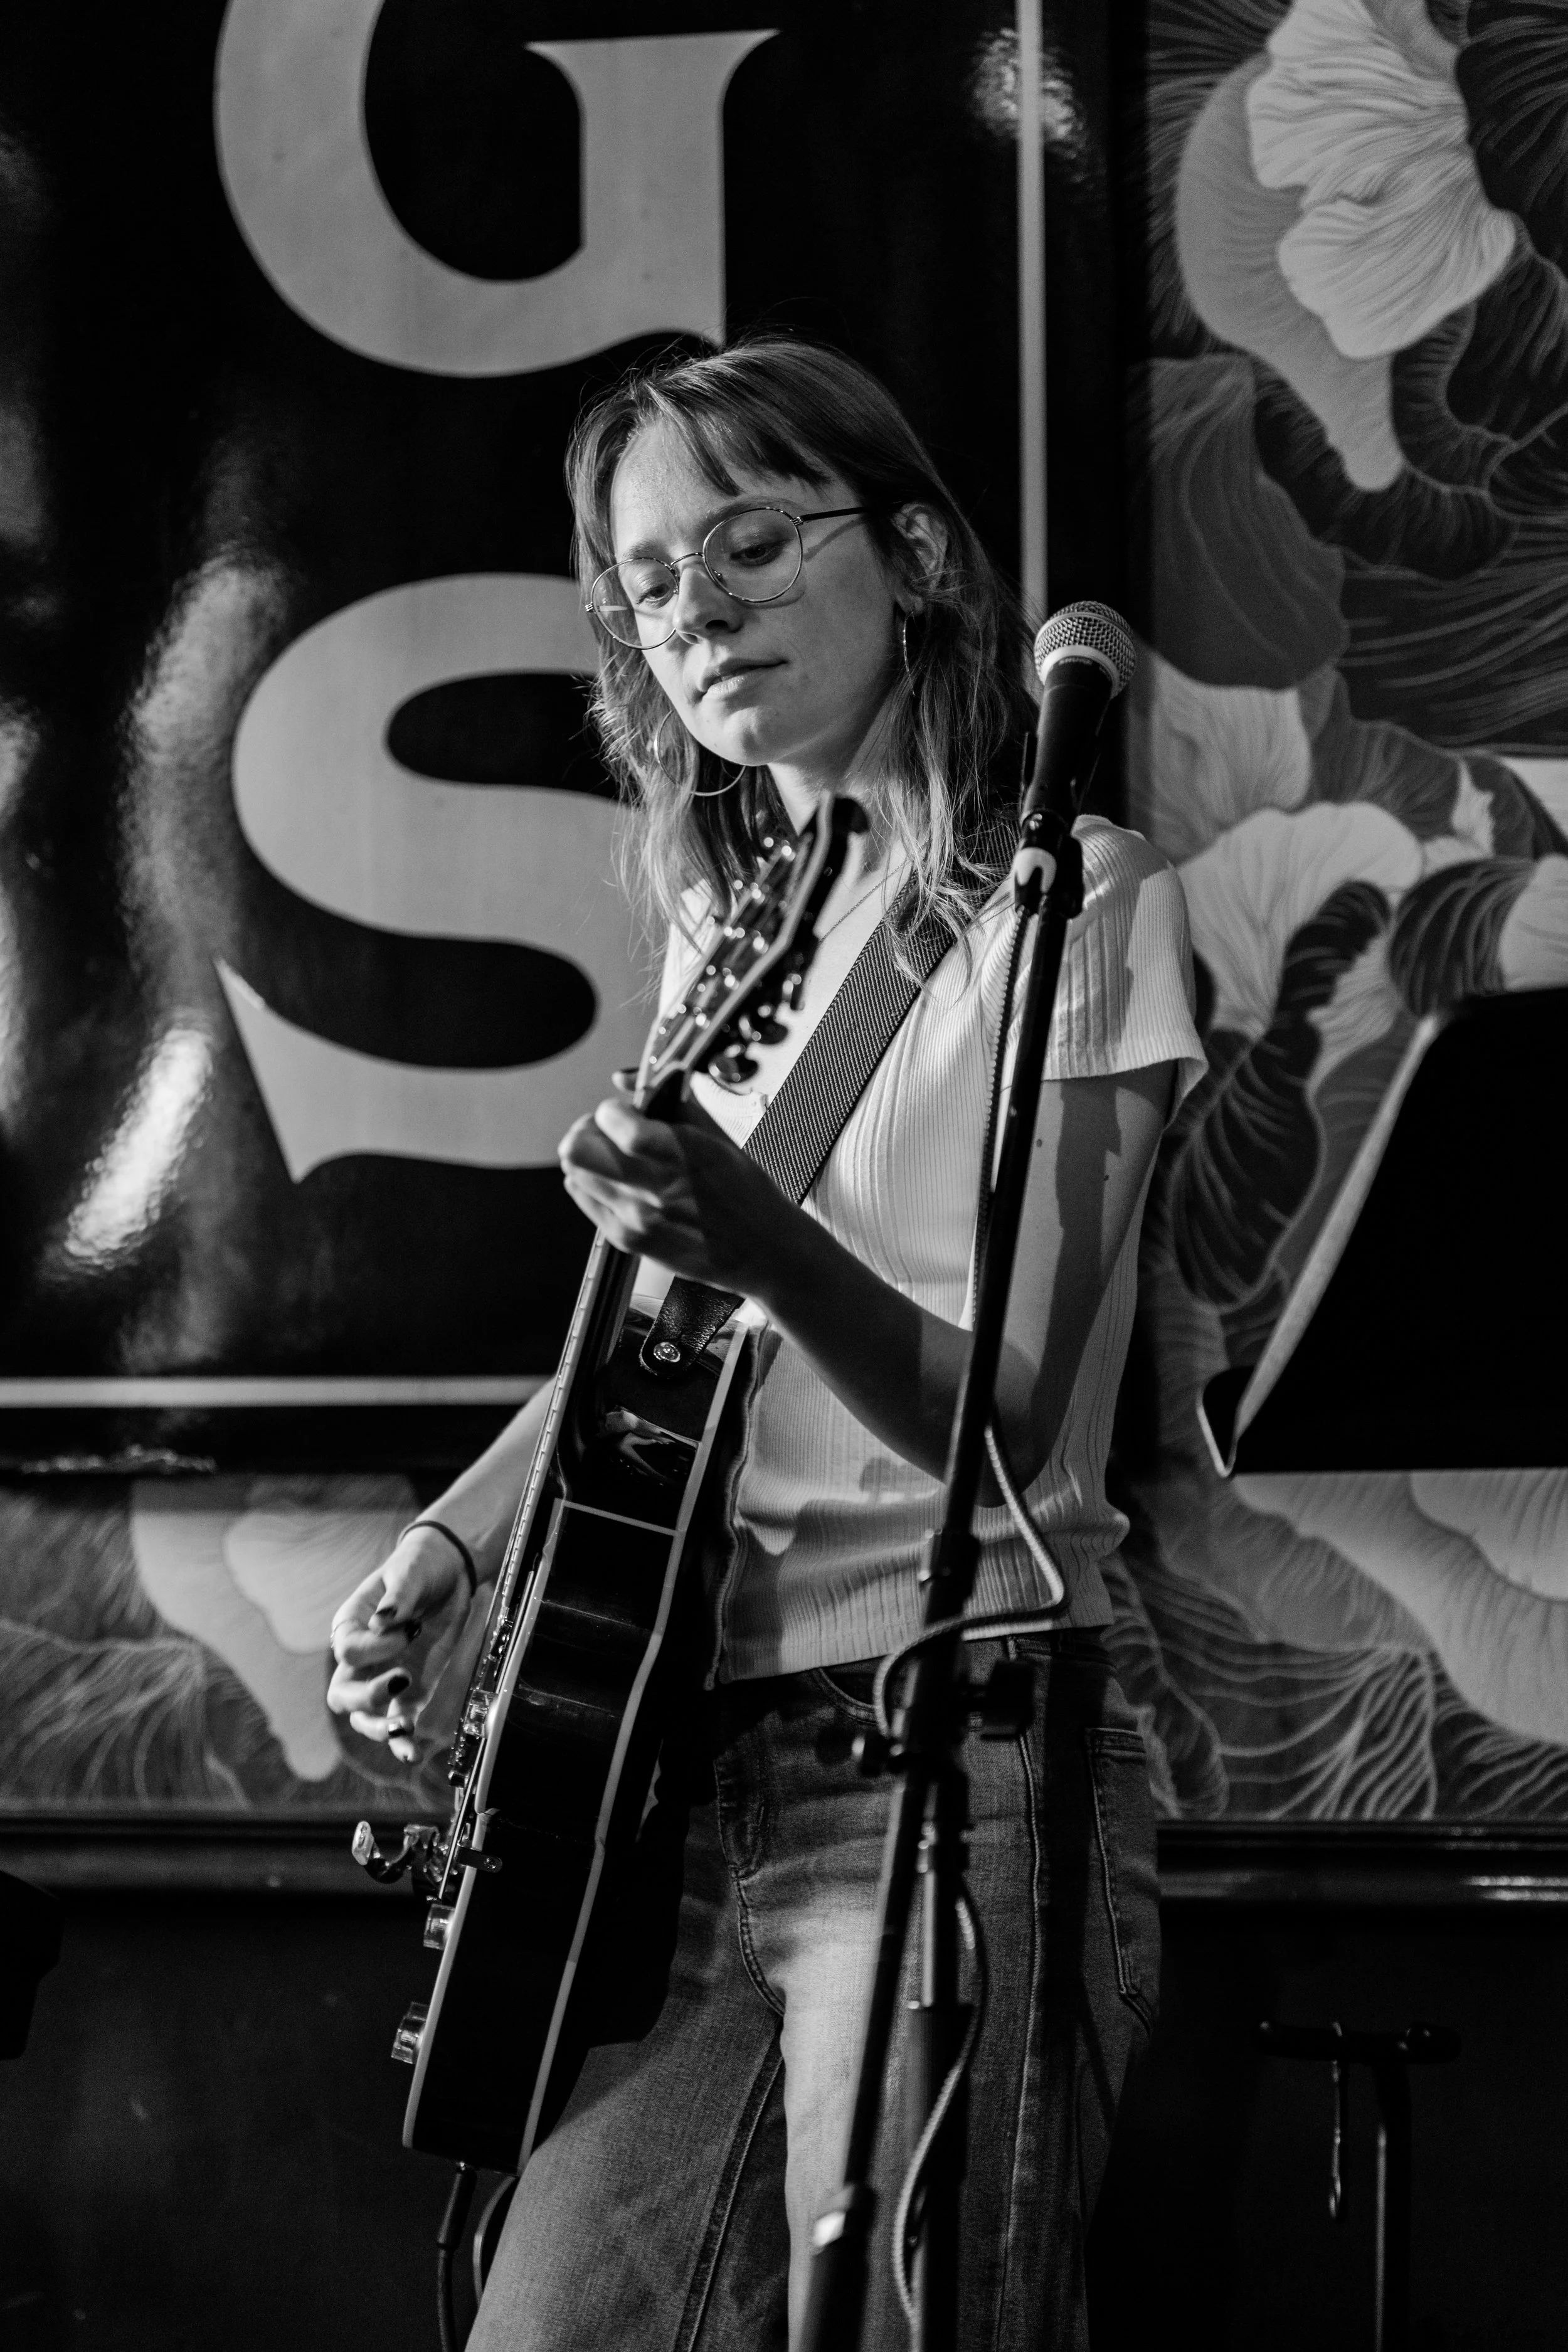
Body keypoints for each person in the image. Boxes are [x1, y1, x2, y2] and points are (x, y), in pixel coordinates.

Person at [327, 337, 1204, 2350]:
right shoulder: (737, 938)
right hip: (683, 1787)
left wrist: (748, 1230)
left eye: (750, 541)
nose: (695, 606)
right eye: (649, 578)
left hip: (960, 1741)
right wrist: (457, 1543)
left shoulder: (1065, 905)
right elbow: (670, 1335)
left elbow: (999, 1414)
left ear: (911, 557)